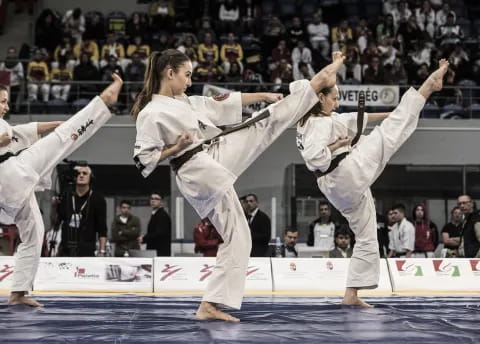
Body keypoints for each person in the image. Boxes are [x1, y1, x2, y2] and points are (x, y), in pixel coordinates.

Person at [132, 49, 345, 321]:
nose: (189, 81)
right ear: (169, 73)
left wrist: (264, 96)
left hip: (208, 166)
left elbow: (222, 103)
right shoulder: (151, 112)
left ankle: (210, 305)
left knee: (239, 238)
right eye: (186, 75)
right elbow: (143, 162)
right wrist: (176, 146)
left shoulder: (187, 101)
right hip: (199, 164)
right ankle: (315, 84)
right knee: (265, 124)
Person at [296, 58, 449, 307]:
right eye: (333, 98)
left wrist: (393, 113)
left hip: (337, 188)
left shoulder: (309, 123)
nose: (336, 103)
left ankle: (351, 294)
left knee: (366, 236)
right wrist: (339, 144)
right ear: (320, 98)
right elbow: (316, 157)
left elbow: (359, 118)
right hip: (345, 173)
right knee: (387, 135)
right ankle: (430, 85)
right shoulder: (320, 124)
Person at [0, 74, 123, 306]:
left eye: (7, 101)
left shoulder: (5, 125)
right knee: (62, 141)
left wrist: (56, 126)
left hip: (9, 196)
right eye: (2, 101)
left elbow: (25, 130)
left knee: (35, 234)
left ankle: (18, 292)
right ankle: (104, 101)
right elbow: (7, 138)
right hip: (9, 175)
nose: (6, 106)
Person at [57, 165, 107, 257]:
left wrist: (102, 251)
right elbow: (56, 221)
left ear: (90, 177)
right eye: (78, 173)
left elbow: (102, 229)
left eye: (84, 173)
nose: (81, 175)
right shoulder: (67, 196)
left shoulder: (97, 199)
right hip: (66, 249)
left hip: (86, 249)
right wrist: (54, 206)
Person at [138, 192, 172, 256]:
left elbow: (159, 233)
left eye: (156, 199)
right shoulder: (155, 214)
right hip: (154, 251)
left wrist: (144, 238)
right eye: (151, 198)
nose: (153, 201)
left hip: (159, 252)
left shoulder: (162, 215)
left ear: (162, 202)